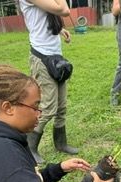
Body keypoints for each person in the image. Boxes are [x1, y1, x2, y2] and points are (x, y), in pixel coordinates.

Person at [19, 0, 78, 164]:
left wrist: (60, 30)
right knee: (48, 107)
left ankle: (61, 143)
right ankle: (30, 148)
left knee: (61, 105)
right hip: (41, 56)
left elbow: (41, 19)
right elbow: (63, 9)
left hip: (55, 56)